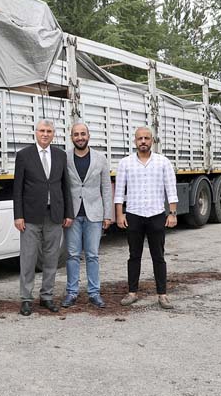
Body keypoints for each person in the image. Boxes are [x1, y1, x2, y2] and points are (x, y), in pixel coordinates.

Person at [13, 119, 73, 316]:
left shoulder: (60, 155)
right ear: (36, 133)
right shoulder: (24, 155)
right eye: (42, 131)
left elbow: (65, 185)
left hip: (54, 214)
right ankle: (26, 298)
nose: (45, 134)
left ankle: (47, 296)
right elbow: (17, 188)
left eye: (48, 131)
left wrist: (68, 213)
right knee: (28, 258)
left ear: (53, 134)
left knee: (51, 258)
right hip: (30, 216)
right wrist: (18, 215)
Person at [114, 126, 178, 309]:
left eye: (146, 138)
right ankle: (132, 292)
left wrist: (172, 213)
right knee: (134, 255)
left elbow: (171, 189)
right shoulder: (125, 163)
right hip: (134, 215)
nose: (143, 141)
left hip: (156, 214)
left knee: (158, 256)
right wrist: (119, 214)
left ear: (152, 141)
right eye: (140, 138)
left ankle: (162, 295)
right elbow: (119, 192)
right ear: (135, 141)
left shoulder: (163, 162)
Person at [62, 122, 113, 308]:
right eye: (76, 134)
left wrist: (108, 214)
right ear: (71, 137)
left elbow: (106, 187)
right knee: (72, 255)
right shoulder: (65, 158)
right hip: (72, 214)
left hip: (94, 214)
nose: (80, 137)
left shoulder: (100, 158)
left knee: (92, 255)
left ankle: (94, 293)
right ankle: (71, 292)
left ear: (88, 136)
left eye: (83, 134)